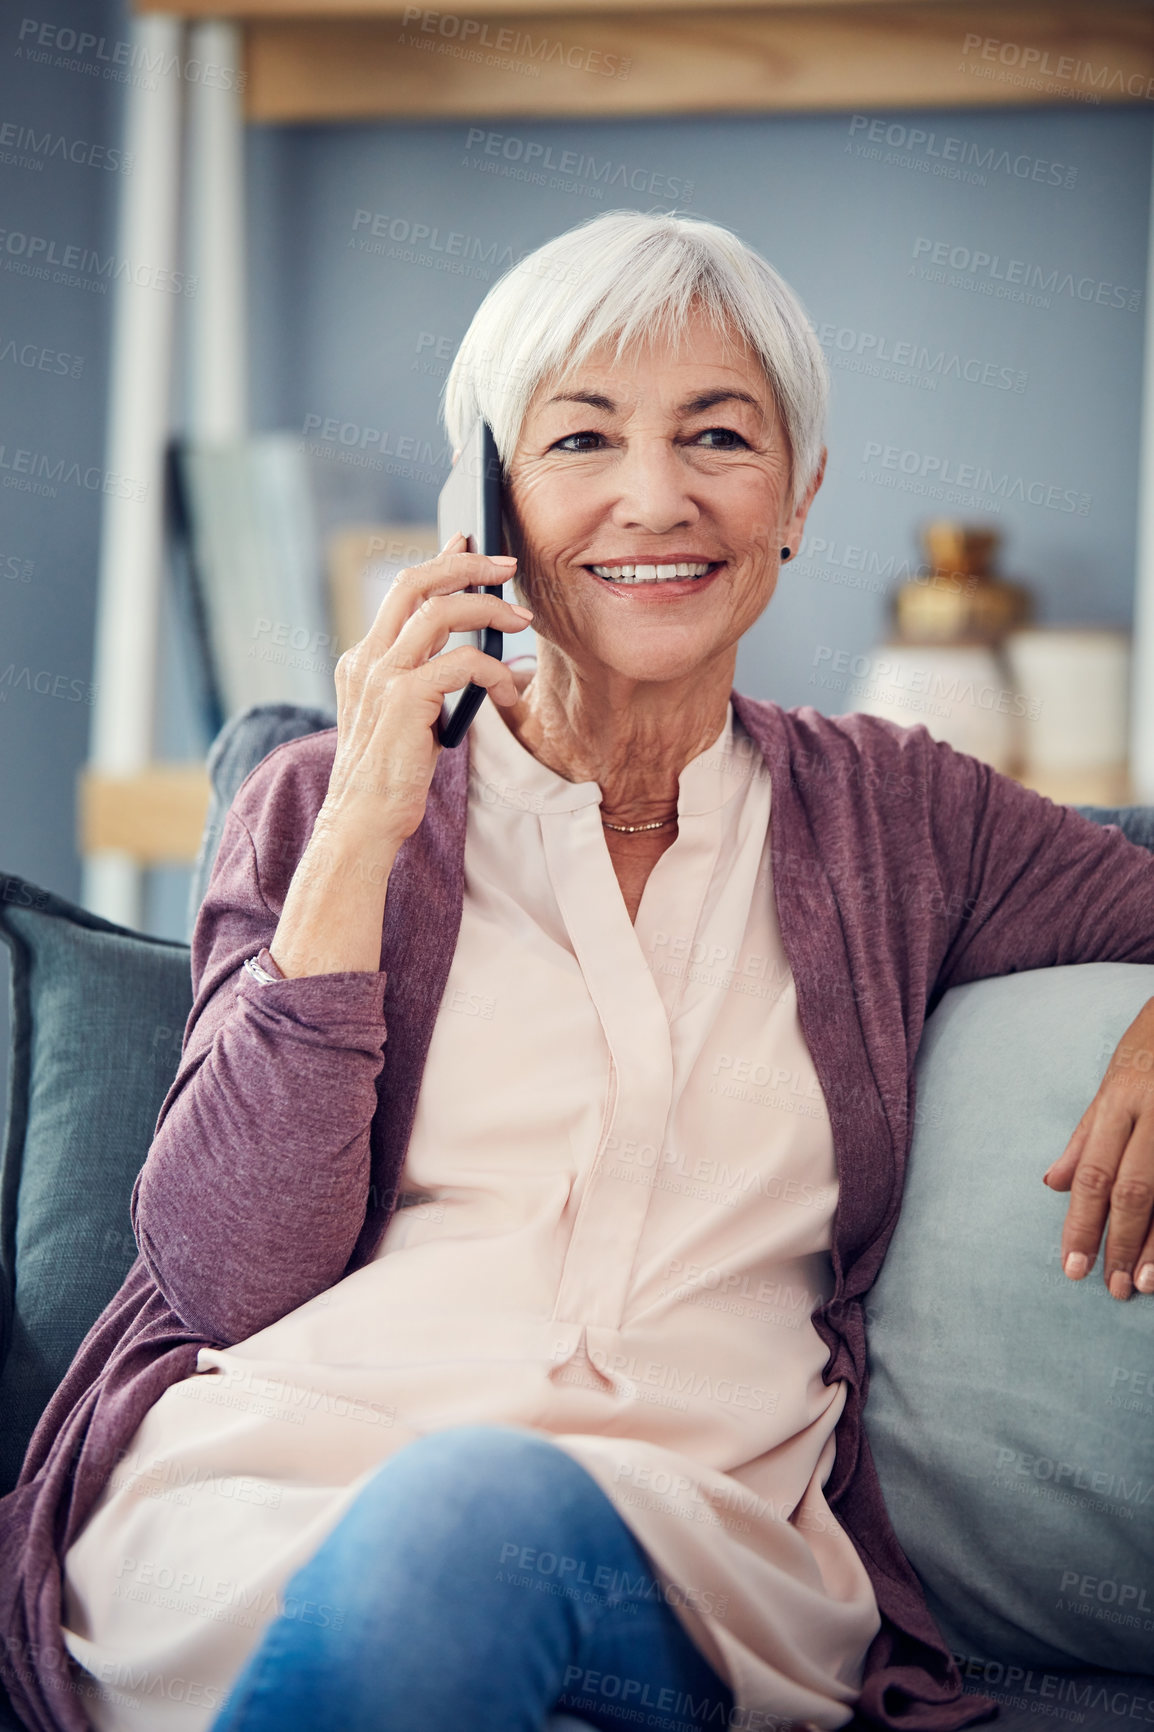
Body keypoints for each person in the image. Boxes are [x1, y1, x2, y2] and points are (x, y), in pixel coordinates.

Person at [3, 209, 1154, 1732]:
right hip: (271, 1501)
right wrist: (360, 824)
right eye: (580, 441)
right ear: (481, 497)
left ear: (799, 495)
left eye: (719, 437)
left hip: (682, 1542)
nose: (653, 497)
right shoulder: (323, 804)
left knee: (470, 1525)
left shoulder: (895, 815)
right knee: (431, 1556)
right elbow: (221, 1274)